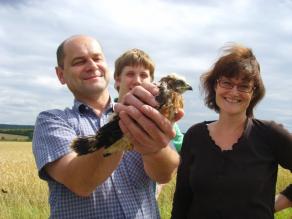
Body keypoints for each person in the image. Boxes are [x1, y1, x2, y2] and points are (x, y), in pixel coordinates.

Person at [32, 35, 181, 218]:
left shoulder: (148, 113)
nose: (92, 66)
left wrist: (155, 148)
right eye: (79, 61)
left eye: (97, 58)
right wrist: (124, 129)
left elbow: (164, 175)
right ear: (61, 75)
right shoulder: (51, 120)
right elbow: (81, 182)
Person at [171, 43, 292, 218]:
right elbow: (182, 197)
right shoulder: (195, 135)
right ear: (215, 86)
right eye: (227, 83)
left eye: (244, 86)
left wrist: (271, 205)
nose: (234, 92)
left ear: (253, 92)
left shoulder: (269, 134)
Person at [113, 48, 184, 199]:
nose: (137, 80)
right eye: (130, 74)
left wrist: (157, 151)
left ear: (152, 82)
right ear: (117, 80)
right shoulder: (102, 117)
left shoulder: (162, 120)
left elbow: (168, 172)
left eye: (144, 75)